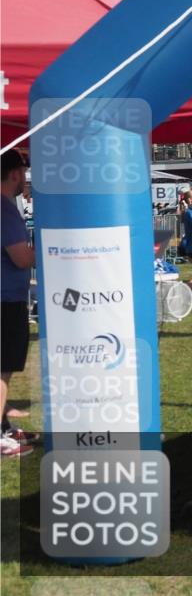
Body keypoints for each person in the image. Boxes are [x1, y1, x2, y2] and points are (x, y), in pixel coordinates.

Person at [1, 150, 36, 457]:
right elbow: (22, 258)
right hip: (6, 301)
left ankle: (4, 428)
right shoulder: (5, 210)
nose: (25, 176)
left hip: (7, 299)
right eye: (23, 169)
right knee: (2, 369)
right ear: (14, 173)